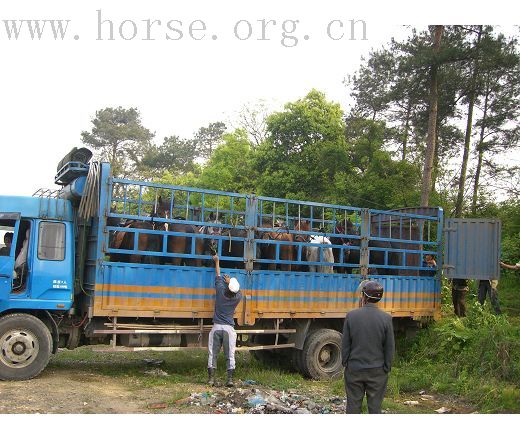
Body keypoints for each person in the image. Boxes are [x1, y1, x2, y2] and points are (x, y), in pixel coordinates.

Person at [341, 280, 395, 414]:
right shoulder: (386, 318)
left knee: (353, 406)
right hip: (377, 371)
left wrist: (346, 363)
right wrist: (386, 367)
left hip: (354, 369)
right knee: (375, 407)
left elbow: (345, 344)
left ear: (363, 296)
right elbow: (389, 347)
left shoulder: (351, 316)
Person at [207, 254, 243, 387]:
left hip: (216, 327)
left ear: (226, 287)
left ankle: (211, 379)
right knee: (230, 354)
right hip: (228, 329)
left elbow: (217, 274)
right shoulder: (237, 297)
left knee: (213, 353)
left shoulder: (220, 291)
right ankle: (230, 380)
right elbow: (238, 291)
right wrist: (231, 283)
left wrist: (217, 261)